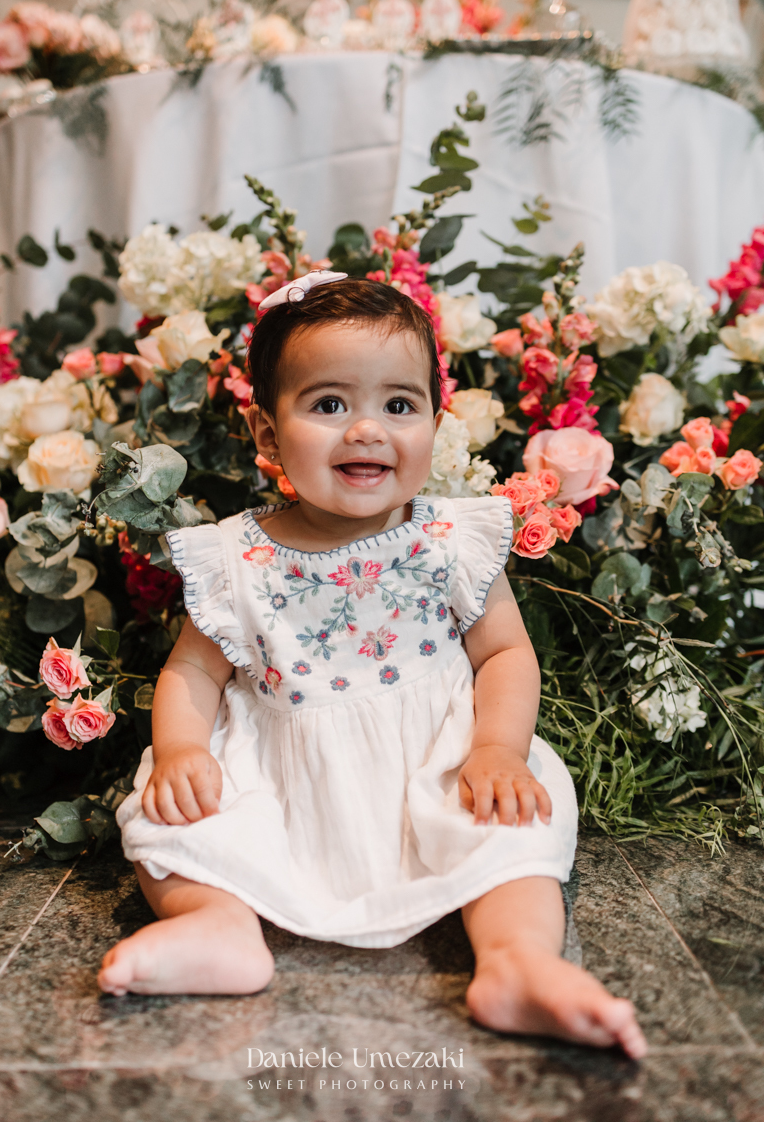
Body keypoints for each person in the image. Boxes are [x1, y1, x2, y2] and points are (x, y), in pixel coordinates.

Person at [99, 271, 646, 1059]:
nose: (367, 430)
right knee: (170, 823)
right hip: (284, 772)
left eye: (399, 404)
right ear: (265, 434)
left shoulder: (452, 539)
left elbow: (504, 653)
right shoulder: (237, 556)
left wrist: (497, 749)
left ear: (433, 418)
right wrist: (183, 749)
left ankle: (516, 960)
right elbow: (194, 673)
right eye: (328, 405)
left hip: (433, 760)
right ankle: (216, 924)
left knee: (511, 838)